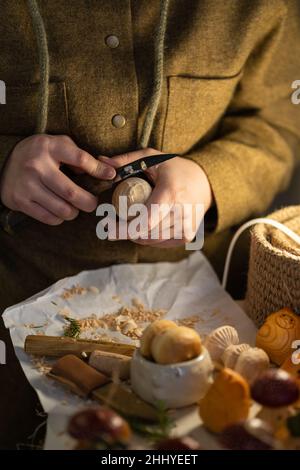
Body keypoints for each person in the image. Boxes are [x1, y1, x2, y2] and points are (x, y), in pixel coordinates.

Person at [0, 0, 299, 448]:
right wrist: (3, 165)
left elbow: (279, 121)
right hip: (17, 298)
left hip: (202, 300)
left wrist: (210, 178)